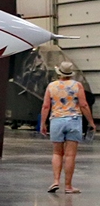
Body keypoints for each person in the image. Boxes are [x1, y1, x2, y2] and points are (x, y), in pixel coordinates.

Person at [40, 61, 93, 194]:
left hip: (56, 121)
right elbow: (84, 105)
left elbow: (46, 106)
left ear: (59, 72)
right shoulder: (77, 85)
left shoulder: (51, 86)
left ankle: (55, 181)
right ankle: (68, 186)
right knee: (70, 155)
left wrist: (43, 123)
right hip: (73, 121)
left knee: (57, 153)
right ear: (71, 73)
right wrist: (91, 122)